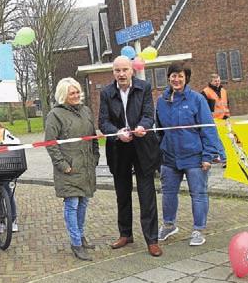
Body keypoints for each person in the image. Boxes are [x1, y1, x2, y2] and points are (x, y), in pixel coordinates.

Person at [98, 56, 162, 257]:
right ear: (113, 72)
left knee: (147, 194)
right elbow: (103, 121)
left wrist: (143, 126)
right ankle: (125, 234)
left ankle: (151, 239)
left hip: (142, 146)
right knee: (122, 194)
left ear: (132, 71)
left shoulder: (144, 87)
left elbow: (149, 114)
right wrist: (117, 133)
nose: (121, 74)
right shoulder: (106, 93)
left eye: (125, 70)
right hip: (119, 148)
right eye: (117, 70)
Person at [156, 63, 224, 246]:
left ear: (186, 78)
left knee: (199, 193)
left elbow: (208, 129)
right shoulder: (161, 101)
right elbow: (159, 130)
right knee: (168, 193)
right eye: (173, 76)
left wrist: (208, 156)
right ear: (168, 78)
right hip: (170, 158)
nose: (176, 80)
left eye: (180, 76)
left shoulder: (197, 100)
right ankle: (169, 225)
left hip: (195, 157)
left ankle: (198, 230)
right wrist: (159, 153)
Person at [45, 77, 100, 261]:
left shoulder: (86, 111)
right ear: (64, 95)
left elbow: (92, 136)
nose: (76, 95)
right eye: (72, 93)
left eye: (77, 92)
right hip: (69, 168)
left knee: (83, 203)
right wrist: (63, 165)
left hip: (85, 166)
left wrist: (95, 156)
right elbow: (50, 143)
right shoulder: (55, 115)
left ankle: (81, 236)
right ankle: (75, 243)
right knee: (72, 205)